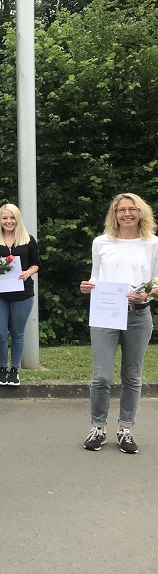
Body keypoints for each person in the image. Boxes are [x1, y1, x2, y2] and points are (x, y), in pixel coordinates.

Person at [79, 193, 158, 454]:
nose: (127, 214)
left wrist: (149, 292)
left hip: (138, 314)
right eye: (121, 209)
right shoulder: (101, 242)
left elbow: (157, 281)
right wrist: (88, 287)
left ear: (141, 213)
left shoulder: (153, 243)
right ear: (114, 214)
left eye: (132, 209)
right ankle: (98, 428)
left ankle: (125, 429)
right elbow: (95, 276)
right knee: (101, 376)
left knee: (132, 376)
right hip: (106, 313)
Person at [0, 204, 41, 386]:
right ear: (0, 220)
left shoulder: (28, 240)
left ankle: (14, 370)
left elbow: (36, 264)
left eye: (12, 218)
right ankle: (2, 369)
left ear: (17, 219)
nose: (8, 221)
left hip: (23, 293)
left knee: (17, 333)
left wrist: (28, 273)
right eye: (5, 218)